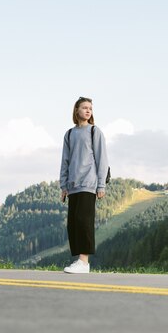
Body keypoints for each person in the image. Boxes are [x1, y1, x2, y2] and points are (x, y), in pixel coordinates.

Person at [59, 96, 109, 274]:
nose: (88, 110)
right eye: (84, 107)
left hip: (89, 183)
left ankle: (84, 262)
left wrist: (101, 185)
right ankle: (79, 261)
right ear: (76, 111)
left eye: (90, 108)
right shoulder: (70, 134)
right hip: (73, 185)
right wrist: (63, 185)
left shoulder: (95, 131)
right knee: (73, 223)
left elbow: (102, 159)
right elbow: (65, 161)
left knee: (83, 221)